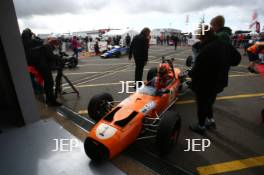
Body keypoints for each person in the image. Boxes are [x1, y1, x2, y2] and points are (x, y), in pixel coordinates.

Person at [188, 26, 241, 134]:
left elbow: (196, 71)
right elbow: (237, 59)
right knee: (209, 101)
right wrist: (224, 62)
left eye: (199, 35)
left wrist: (190, 73)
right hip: (219, 82)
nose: (198, 37)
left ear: (204, 36)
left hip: (205, 83)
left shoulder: (206, 49)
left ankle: (201, 126)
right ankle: (211, 120)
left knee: (202, 104)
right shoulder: (224, 44)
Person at [30, 38, 62, 106]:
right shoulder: (48, 46)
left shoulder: (44, 46)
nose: (57, 46)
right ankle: (51, 101)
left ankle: (49, 99)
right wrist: (57, 57)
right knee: (49, 83)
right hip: (44, 68)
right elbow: (50, 57)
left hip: (40, 67)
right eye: (57, 45)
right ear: (54, 43)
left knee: (47, 84)